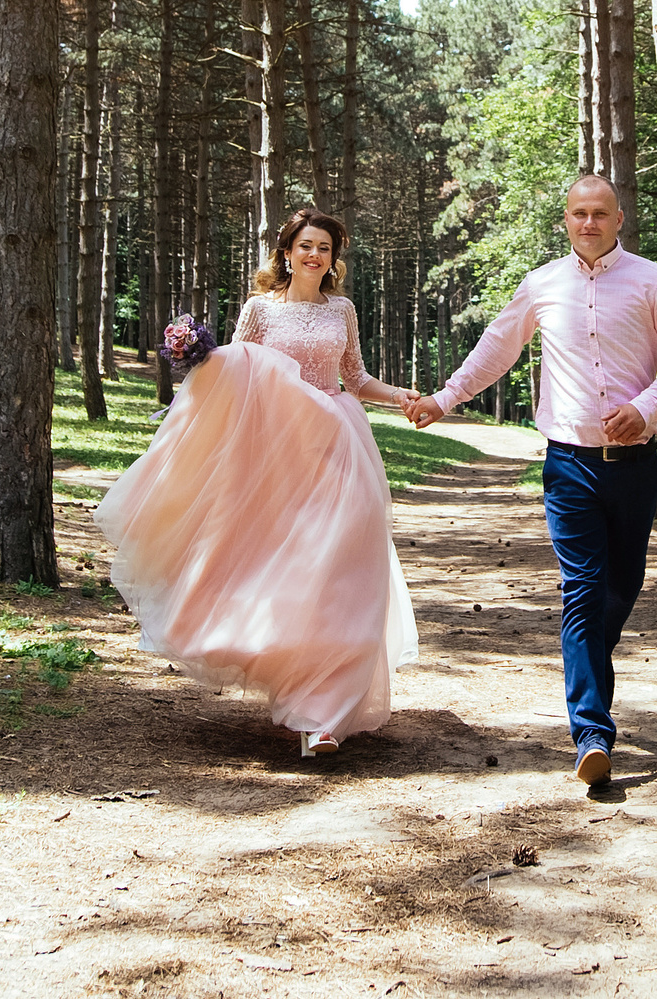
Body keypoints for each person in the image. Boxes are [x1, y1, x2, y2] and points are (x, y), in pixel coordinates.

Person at [404, 173, 657, 788]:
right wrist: (446, 398)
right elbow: (497, 347)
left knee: (620, 589)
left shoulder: (655, 281)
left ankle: (586, 663)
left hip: (633, 467)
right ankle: (591, 730)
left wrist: (647, 409)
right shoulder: (541, 285)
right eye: (577, 213)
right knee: (581, 591)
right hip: (567, 463)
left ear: (619, 219)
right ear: (565, 220)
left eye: (600, 213)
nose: (588, 223)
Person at [94, 207, 420, 757]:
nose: (314, 255)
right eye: (305, 246)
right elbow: (229, 371)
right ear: (287, 253)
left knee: (342, 564)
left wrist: (404, 397)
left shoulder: (342, 309)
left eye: (324, 248)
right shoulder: (259, 309)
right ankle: (270, 658)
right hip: (274, 453)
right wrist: (193, 351)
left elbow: (356, 377)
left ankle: (322, 715)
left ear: (333, 259)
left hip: (336, 447)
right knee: (275, 565)